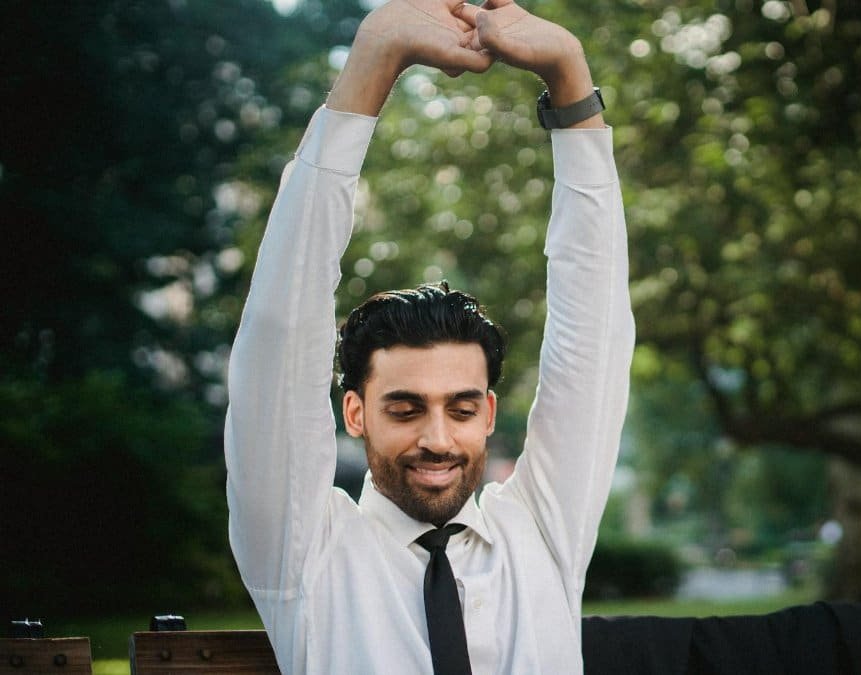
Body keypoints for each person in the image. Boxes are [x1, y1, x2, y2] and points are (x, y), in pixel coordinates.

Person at [223, 0, 634, 672]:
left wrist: (570, 80)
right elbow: (280, 327)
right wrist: (374, 59)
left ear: (489, 412)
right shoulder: (305, 553)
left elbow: (596, 332)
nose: (438, 439)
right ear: (354, 411)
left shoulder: (541, 530)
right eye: (405, 407)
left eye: (462, 407)